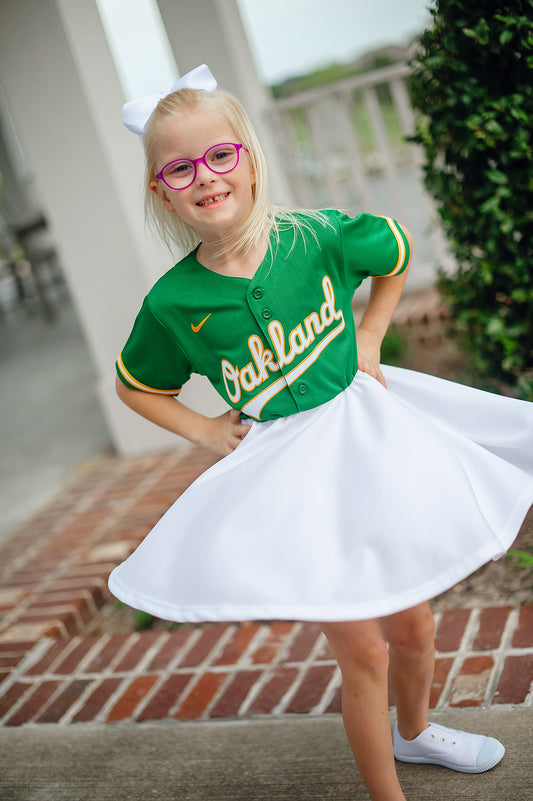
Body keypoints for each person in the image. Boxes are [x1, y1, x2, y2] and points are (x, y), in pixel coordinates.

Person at [109, 65, 533, 801]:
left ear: (247, 156)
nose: (205, 177)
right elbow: (136, 384)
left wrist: (370, 331)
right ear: (161, 190)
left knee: (414, 628)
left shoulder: (311, 235)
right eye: (179, 168)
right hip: (289, 473)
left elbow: (394, 250)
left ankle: (415, 730)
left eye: (219, 155)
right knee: (361, 646)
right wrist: (206, 432)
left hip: (368, 443)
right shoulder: (174, 301)